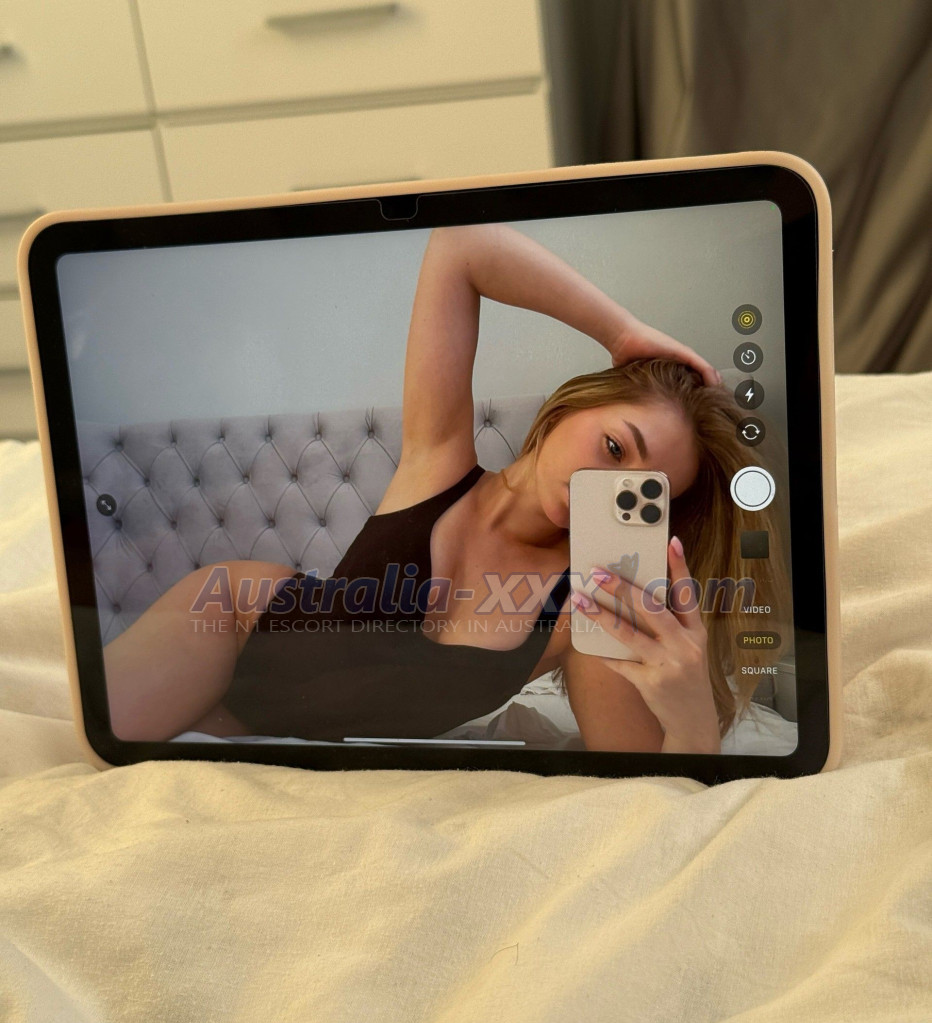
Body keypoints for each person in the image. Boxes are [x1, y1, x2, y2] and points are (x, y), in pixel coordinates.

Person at [103, 223, 789, 752]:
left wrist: (691, 716)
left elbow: (641, 790)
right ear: (572, 406)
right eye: (613, 446)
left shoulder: (589, 605)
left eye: (643, 490)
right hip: (233, 620)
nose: (606, 485)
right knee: (87, 757)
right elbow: (461, 245)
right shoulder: (437, 463)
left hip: (255, 733)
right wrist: (621, 332)